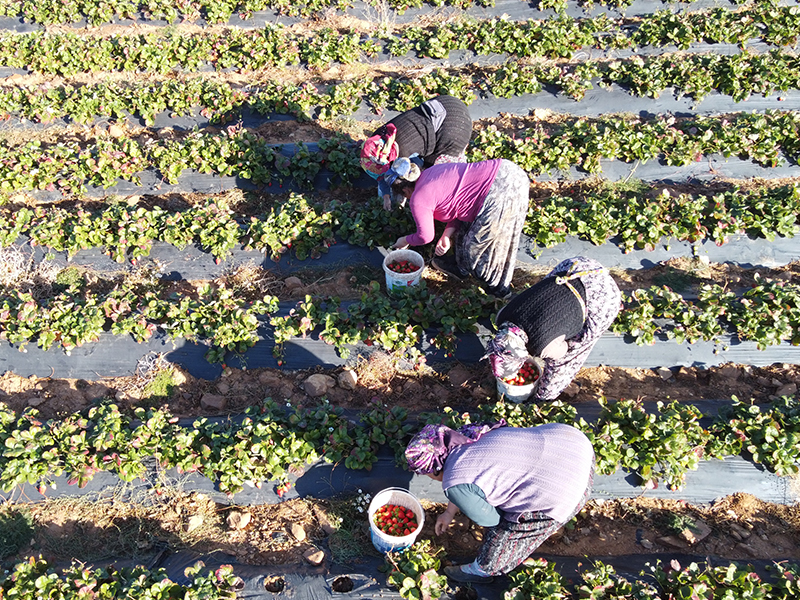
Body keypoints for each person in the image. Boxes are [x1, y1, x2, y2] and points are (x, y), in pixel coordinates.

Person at [405, 421, 594, 583]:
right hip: (574, 443)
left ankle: (483, 571)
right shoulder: (470, 435)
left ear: (433, 468)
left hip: (566, 492)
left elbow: (492, 520)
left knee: (505, 532)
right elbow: (462, 476)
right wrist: (449, 512)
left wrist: (494, 503)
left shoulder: (453, 483)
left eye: (424, 472)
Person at [388, 157, 529, 297]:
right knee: (467, 234)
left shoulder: (418, 198)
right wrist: (446, 236)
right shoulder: (431, 172)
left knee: (482, 249)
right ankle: (460, 268)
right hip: (508, 171)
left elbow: (425, 236)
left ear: (405, 189)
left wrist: (405, 240)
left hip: (499, 193)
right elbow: (457, 204)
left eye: (404, 194)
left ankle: (499, 291)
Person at [486, 256, 621, 401]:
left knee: (572, 355)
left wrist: (541, 397)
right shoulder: (502, 316)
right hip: (578, 267)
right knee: (547, 295)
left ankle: (546, 397)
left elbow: (561, 361)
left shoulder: (543, 346)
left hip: (603, 299)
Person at [360, 95, 473, 210]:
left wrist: (417, 197)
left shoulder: (402, 154)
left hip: (455, 127)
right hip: (442, 103)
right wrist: (386, 196)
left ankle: (462, 202)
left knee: (439, 175)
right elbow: (383, 176)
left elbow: (421, 173)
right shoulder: (376, 142)